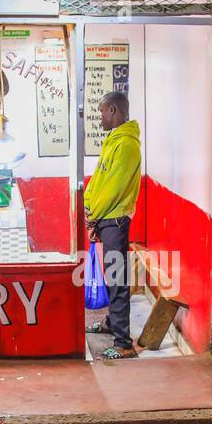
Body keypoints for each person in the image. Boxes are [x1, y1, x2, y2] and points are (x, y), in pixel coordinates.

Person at [84, 91, 142, 360]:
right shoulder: (113, 141)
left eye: (102, 112)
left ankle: (123, 343)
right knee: (111, 275)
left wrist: (94, 215)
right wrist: (89, 209)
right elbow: (99, 179)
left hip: (114, 219)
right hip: (104, 218)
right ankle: (111, 324)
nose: (100, 118)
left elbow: (114, 189)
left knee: (118, 280)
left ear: (114, 111)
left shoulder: (127, 145)